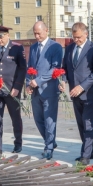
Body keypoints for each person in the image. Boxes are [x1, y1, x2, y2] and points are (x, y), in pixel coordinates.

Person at [60, 22, 93, 165]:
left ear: (86, 34)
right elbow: (65, 67)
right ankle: (89, 150)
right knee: (80, 124)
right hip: (74, 93)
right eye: (74, 37)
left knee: (88, 123)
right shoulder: (70, 47)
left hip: (89, 93)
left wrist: (82, 87)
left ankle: (85, 155)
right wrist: (63, 80)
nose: (76, 40)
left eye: (78, 37)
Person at [0, 25, 26, 155]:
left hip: (11, 90)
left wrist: (17, 87)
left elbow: (22, 69)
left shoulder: (17, 48)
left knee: (15, 118)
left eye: (1, 37)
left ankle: (18, 143)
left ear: (7, 35)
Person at [26, 21, 63, 160]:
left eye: (39, 33)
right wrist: (28, 83)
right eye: (35, 33)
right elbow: (30, 67)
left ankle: (48, 148)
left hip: (49, 90)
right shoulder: (34, 47)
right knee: (38, 119)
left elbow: (55, 68)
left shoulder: (55, 47)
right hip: (35, 90)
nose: (36, 36)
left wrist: (38, 81)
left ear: (46, 31)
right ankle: (51, 141)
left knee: (49, 120)